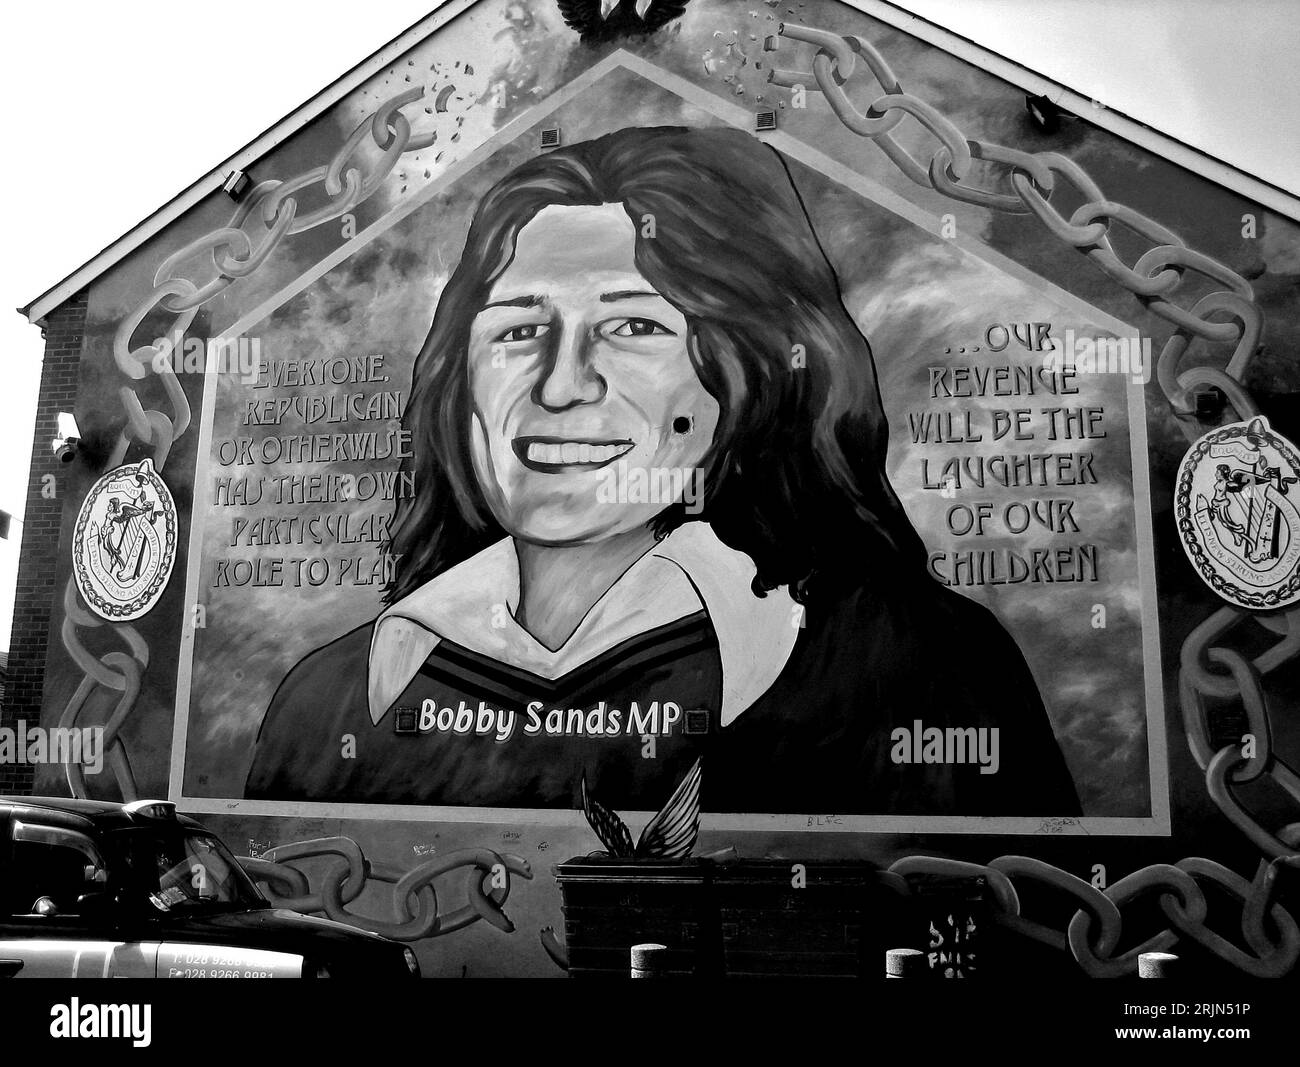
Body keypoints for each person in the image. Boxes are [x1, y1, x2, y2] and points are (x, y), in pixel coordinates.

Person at [245, 126, 1081, 817]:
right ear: (457, 379)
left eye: (633, 329)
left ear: (744, 371)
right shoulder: (331, 702)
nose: (563, 384)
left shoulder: (918, 671)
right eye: (515, 332)